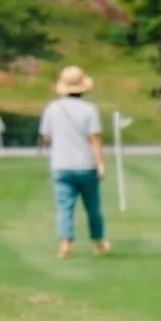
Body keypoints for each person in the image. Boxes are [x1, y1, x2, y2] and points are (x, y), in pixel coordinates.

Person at [36, 64, 107, 258]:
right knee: (93, 206)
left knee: (64, 207)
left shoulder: (52, 108)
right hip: (85, 165)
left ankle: (65, 244)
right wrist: (100, 163)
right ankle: (99, 242)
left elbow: (45, 137)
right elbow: (94, 139)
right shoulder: (90, 110)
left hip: (61, 164)